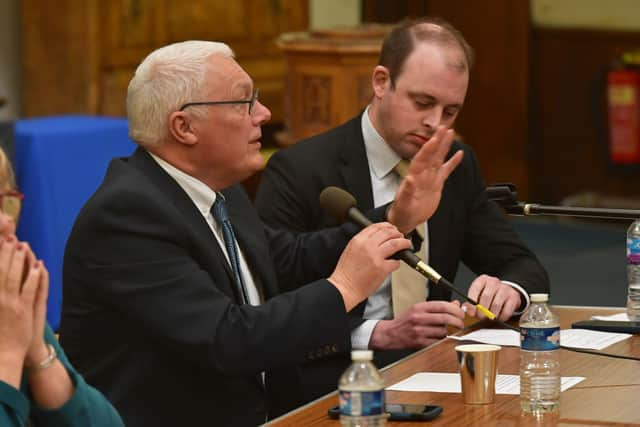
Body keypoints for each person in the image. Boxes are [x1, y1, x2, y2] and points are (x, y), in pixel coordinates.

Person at [59, 40, 462, 426]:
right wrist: (344, 287)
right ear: (184, 127)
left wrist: (396, 218)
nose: (264, 113)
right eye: (244, 101)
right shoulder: (128, 215)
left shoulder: (220, 190)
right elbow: (227, 339)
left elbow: (287, 259)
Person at [255, 17, 550, 403]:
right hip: (336, 376)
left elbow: (521, 264)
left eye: (450, 111)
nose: (434, 124)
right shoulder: (301, 168)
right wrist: (379, 332)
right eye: (423, 103)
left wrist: (506, 290)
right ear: (381, 83)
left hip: (436, 367)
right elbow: (273, 295)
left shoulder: (455, 162)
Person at [0, 148, 124, 427]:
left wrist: (38, 353)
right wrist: (7, 357)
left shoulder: (9, 305)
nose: (6, 222)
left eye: (5, 202)